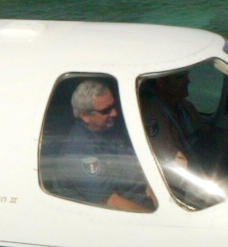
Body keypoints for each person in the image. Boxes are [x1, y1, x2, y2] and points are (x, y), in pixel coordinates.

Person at [41, 75, 155, 212]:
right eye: (106, 111)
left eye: (113, 106)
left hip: (146, 198)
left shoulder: (113, 128)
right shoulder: (78, 153)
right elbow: (112, 202)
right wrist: (158, 217)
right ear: (85, 115)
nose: (114, 113)